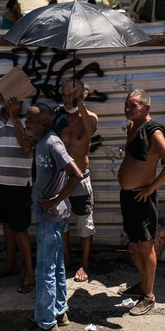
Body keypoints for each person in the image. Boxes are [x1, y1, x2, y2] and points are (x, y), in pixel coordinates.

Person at [17, 103, 83, 331]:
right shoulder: (42, 142)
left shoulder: (52, 143)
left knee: (45, 269)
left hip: (51, 217)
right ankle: (59, 312)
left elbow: (77, 174)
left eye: (31, 120)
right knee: (56, 266)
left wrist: (57, 198)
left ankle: (45, 324)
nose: (26, 123)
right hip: (53, 216)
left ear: (44, 122)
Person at [117, 89, 165, 315]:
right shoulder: (133, 127)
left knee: (146, 245)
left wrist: (151, 187)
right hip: (129, 196)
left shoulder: (154, 132)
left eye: (133, 106)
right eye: (126, 105)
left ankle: (149, 296)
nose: (128, 109)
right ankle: (142, 285)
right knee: (136, 243)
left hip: (143, 198)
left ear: (147, 108)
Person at [0, 90, 35, 294]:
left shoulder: (28, 117)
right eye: (0, 96)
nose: (1, 99)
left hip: (18, 182)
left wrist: (14, 117)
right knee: (6, 223)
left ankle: (29, 271)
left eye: (6, 95)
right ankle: (11, 264)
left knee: (19, 227)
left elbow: (27, 147)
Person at [57, 78, 99, 283]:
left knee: (84, 221)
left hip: (81, 177)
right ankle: (65, 257)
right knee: (61, 221)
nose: (66, 99)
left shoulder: (89, 117)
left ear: (81, 94)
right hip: (61, 177)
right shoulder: (58, 116)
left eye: (70, 95)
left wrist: (79, 103)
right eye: (64, 95)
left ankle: (84, 262)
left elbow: (90, 130)